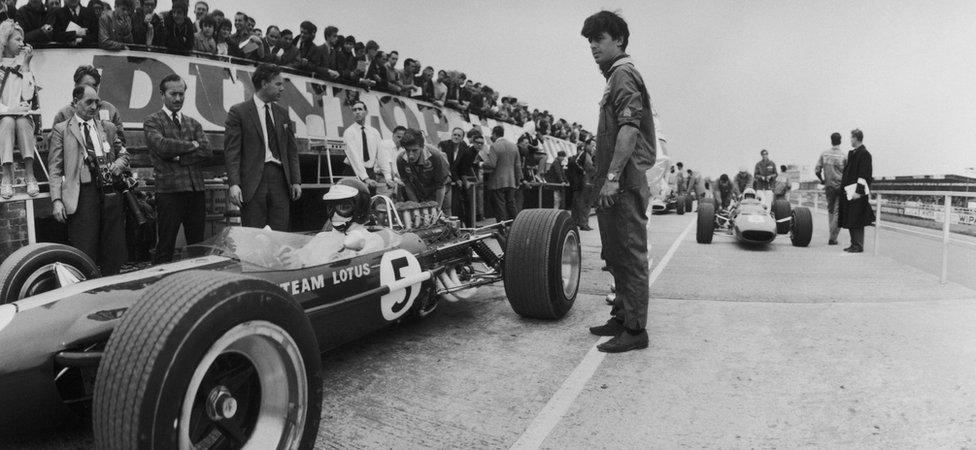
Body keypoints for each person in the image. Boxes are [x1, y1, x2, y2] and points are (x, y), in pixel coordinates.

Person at [581, 10, 656, 353]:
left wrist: (611, 177)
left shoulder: (623, 75)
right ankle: (622, 315)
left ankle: (636, 329)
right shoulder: (613, 76)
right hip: (614, 183)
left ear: (619, 40)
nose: (593, 46)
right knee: (615, 253)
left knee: (630, 255)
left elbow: (629, 129)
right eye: (590, 40)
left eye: (599, 39)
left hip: (623, 182)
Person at [48, 85, 130, 275]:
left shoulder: (107, 127)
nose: (94, 107)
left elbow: (124, 154)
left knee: (112, 247)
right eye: (89, 102)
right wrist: (56, 200)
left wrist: (118, 164)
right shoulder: (63, 129)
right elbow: (55, 168)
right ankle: (88, 290)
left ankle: (111, 287)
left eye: (97, 103)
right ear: (75, 102)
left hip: (110, 192)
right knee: (85, 248)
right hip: (82, 195)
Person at [224, 64, 302, 230]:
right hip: (253, 182)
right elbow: (232, 152)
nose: (282, 89)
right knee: (254, 234)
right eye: (278, 84)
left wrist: (296, 181)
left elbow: (291, 150)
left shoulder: (282, 113)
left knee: (281, 234)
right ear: (264, 83)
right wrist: (234, 184)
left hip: (280, 180)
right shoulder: (239, 112)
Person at [143, 74, 211, 263]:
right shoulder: (152, 121)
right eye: (173, 94)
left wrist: (178, 157)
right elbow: (162, 147)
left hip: (196, 191)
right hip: (169, 192)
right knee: (165, 246)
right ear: (162, 95)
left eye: (181, 94)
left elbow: (207, 150)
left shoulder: (193, 123)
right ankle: (161, 287)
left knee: (198, 247)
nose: (178, 99)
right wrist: (192, 145)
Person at [285, 178, 385, 268]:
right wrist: (290, 257)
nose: (335, 214)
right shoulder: (321, 237)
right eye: (331, 208)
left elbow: (361, 266)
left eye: (344, 207)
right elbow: (299, 260)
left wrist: (344, 256)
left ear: (359, 209)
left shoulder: (371, 240)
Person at [0, 20, 39, 199]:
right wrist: (10, 109)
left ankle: (30, 175)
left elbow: (29, 96)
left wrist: (26, 65)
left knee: (23, 122)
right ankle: (6, 176)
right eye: (17, 39)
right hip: (3, 117)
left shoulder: (21, 63)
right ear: (5, 41)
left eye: (22, 39)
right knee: (8, 122)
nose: (22, 43)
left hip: (20, 115)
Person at [52, 65, 126, 147]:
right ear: (76, 87)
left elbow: (121, 144)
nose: (91, 89)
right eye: (86, 85)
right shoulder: (64, 114)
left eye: (94, 85)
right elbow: (55, 146)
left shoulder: (110, 110)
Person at [839, 128, 874, 253]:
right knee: (851, 218)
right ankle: (854, 243)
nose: (850, 140)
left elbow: (864, 174)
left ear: (856, 138)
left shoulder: (864, 154)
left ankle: (858, 245)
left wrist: (859, 192)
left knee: (857, 218)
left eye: (851, 137)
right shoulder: (854, 154)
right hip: (850, 191)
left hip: (856, 193)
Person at [396, 128, 448, 206]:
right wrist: (417, 207)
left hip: (441, 192)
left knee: (441, 215)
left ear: (422, 147)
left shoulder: (435, 156)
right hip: (420, 191)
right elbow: (408, 185)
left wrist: (437, 208)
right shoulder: (401, 159)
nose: (410, 155)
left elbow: (440, 185)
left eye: (414, 150)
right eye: (407, 150)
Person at [341, 100, 384, 189]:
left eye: (360, 109)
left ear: (366, 112)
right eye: (354, 110)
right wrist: (365, 178)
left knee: (370, 200)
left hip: (370, 171)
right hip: (353, 170)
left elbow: (381, 155)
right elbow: (353, 156)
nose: (357, 112)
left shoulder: (374, 132)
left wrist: (388, 177)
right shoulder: (349, 132)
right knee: (354, 201)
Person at [482, 125, 521, 222]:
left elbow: (491, 164)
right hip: (511, 181)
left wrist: (481, 163)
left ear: (494, 134)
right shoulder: (514, 146)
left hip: (497, 182)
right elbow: (517, 166)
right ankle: (516, 226)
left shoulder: (494, 146)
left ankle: (502, 229)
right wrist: (517, 181)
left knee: (500, 207)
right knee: (511, 205)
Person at [439, 127, 476, 225]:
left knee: (457, 205)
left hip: (455, 180)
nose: (456, 137)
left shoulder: (464, 150)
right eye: (454, 134)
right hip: (443, 179)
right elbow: (446, 164)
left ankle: (462, 225)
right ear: (451, 135)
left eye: (459, 135)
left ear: (462, 138)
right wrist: (456, 178)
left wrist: (460, 180)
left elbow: (461, 167)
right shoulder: (443, 145)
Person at [815, 132, 847, 245]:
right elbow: (848, 172)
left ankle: (831, 235)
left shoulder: (824, 154)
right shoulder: (844, 155)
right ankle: (833, 238)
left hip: (829, 186)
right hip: (840, 186)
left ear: (831, 140)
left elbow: (817, 170)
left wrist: (822, 180)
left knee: (830, 210)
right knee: (838, 212)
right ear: (840, 141)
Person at [567, 138, 595, 229]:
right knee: (582, 204)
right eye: (592, 145)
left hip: (588, 182)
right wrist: (583, 171)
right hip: (583, 183)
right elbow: (576, 162)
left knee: (585, 204)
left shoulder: (591, 155)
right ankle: (582, 223)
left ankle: (584, 223)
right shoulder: (583, 154)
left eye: (594, 146)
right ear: (587, 145)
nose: (593, 147)